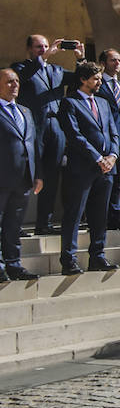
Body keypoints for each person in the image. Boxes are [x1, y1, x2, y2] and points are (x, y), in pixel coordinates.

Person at [13, 34, 83, 235]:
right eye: (38, 47)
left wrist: (80, 59)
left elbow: (81, 79)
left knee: (52, 176)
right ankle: (15, 225)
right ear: (29, 49)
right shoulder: (20, 68)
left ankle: (45, 223)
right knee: (27, 175)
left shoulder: (56, 70)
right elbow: (23, 77)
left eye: (45, 46)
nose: (43, 50)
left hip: (56, 128)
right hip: (33, 127)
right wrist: (43, 58)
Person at [59, 60, 120, 274]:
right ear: (83, 79)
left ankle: (97, 255)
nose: (99, 82)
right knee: (74, 215)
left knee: (99, 216)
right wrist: (98, 158)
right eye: (95, 78)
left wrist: (112, 156)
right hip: (82, 168)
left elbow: (113, 131)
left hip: (106, 170)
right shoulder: (70, 103)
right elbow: (75, 135)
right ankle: (68, 259)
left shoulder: (104, 103)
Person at [0, 68, 41, 281]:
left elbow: (33, 144)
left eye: (16, 81)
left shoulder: (25, 111)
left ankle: (14, 264)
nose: (14, 85)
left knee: (14, 225)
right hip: (2, 179)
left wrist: (38, 174)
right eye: (8, 82)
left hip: (24, 178)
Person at [97, 49, 120, 230]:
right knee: (104, 180)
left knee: (118, 180)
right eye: (113, 60)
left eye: (119, 60)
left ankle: (114, 217)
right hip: (105, 140)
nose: (117, 63)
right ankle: (99, 217)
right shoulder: (98, 84)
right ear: (103, 63)